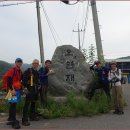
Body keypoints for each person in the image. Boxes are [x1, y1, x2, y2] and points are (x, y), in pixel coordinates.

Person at [4, 58, 23, 129]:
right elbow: (9, 80)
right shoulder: (13, 70)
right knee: (13, 105)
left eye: (20, 62)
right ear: (15, 63)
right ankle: (13, 121)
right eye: (18, 62)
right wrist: (12, 90)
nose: (19, 63)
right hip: (12, 90)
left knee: (12, 104)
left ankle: (11, 119)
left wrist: (21, 89)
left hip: (16, 90)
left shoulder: (20, 71)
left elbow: (19, 81)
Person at [22, 59, 40, 126]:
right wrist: (25, 88)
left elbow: (38, 81)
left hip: (35, 89)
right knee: (27, 104)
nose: (35, 64)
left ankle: (32, 116)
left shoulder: (37, 72)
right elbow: (23, 80)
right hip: (29, 88)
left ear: (38, 65)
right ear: (32, 64)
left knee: (33, 103)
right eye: (34, 63)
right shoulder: (28, 70)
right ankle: (24, 120)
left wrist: (38, 86)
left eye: (37, 63)